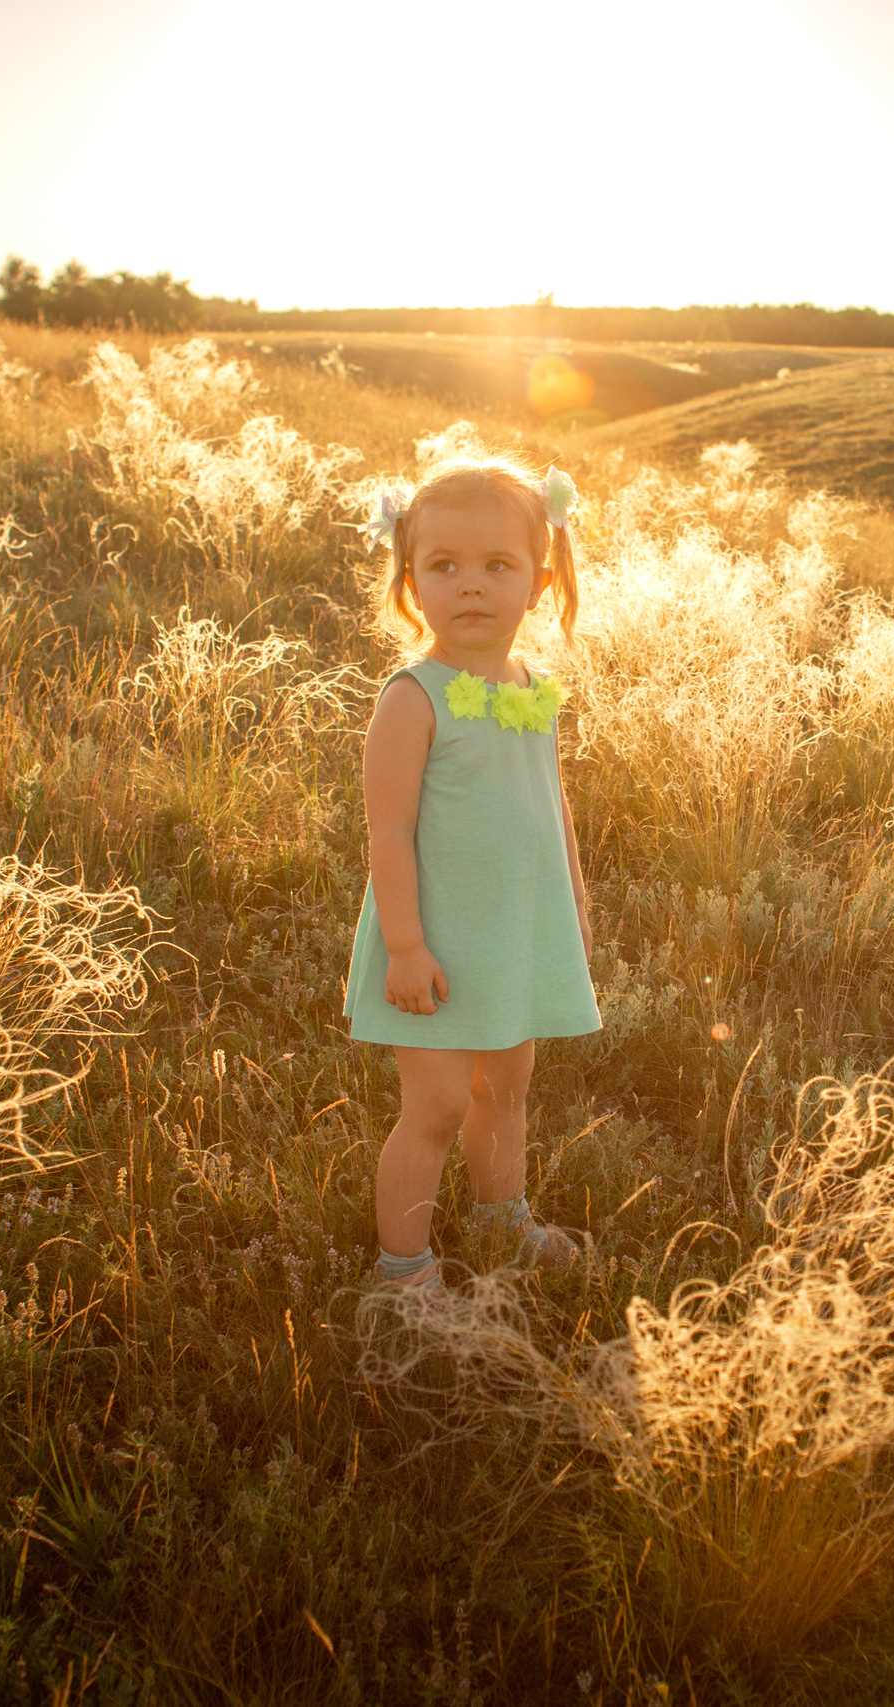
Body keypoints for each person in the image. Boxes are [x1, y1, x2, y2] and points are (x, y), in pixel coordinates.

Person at [342, 453, 600, 1291]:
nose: (473, 586)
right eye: (445, 566)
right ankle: (404, 1271)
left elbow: (552, 808)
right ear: (411, 583)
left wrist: (573, 906)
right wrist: (406, 946)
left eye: (498, 565)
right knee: (439, 1104)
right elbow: (388, 833)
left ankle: (501, 1216)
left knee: (507, 1087)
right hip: (438, 942)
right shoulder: (412, 698)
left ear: (538, 580)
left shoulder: (531, 688)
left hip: (514, 932)